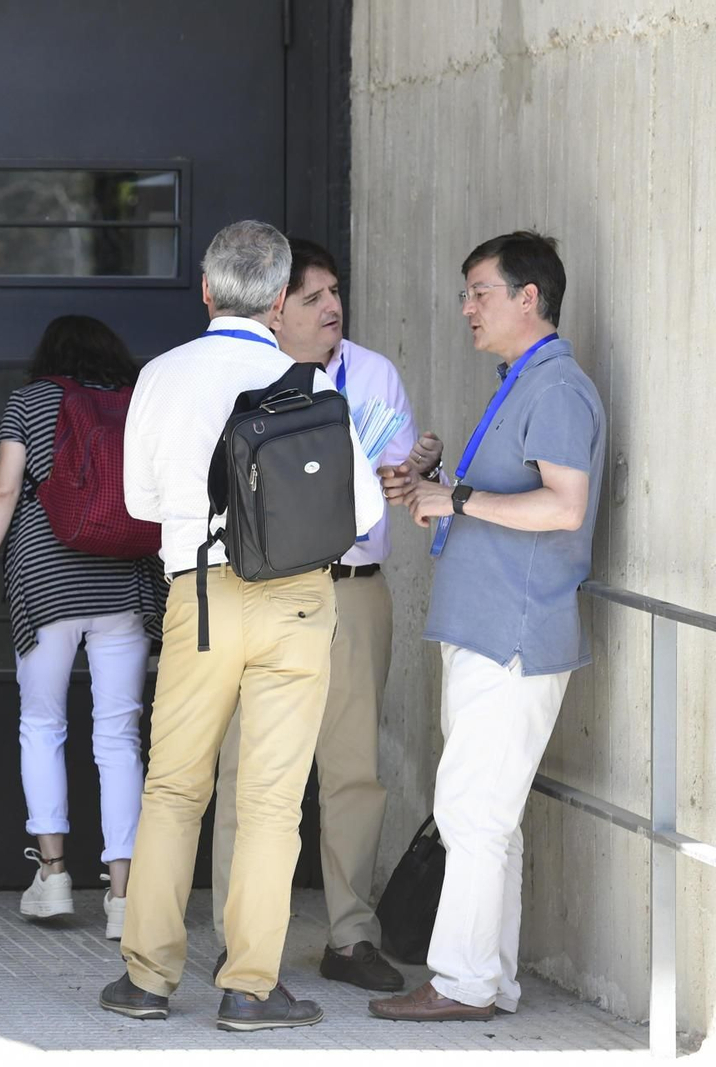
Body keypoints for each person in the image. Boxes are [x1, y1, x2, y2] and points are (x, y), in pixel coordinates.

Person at [98, 220, 383, 1031]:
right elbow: (359, 511)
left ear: (207, 290)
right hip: (298, 601)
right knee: (271, 800)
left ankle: (148, 978)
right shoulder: (310, 381)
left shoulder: (162, 374)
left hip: (203, 594)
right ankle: (251, 987)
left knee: (176, 786)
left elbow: (138, 505)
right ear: (281, 295)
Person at [370, 232, 604, 1022]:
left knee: (473, 810)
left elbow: (564, 506)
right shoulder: (521, 383)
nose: (467, 307)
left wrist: (459, 500)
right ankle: (487, 979)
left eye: (480, 292)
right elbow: (499, 506)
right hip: (487, 629)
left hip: (514, 633)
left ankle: (461, 981)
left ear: (527, 297)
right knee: (486, 818)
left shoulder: (558, 389)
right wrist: (435, 489)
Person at [210, 238, 415, 993]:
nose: (332, 307)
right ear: (274, 309)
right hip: (262, 590)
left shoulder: (374, 373)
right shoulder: (237, 377)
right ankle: (240, 938)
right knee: (248, 767)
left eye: (336, 292)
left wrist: (411, 469)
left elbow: (398, 470)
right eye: (313, 297)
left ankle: (351, 934)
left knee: (353, 769)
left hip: (354, 589)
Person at [0, 315, 164, 939]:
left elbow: (2, 492)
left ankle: (53, 877)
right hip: (122, 579)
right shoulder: (136, 400)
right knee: (119, 739)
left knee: (42, 725)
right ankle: (124, 896)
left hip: (47, 584)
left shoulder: (30, 401)